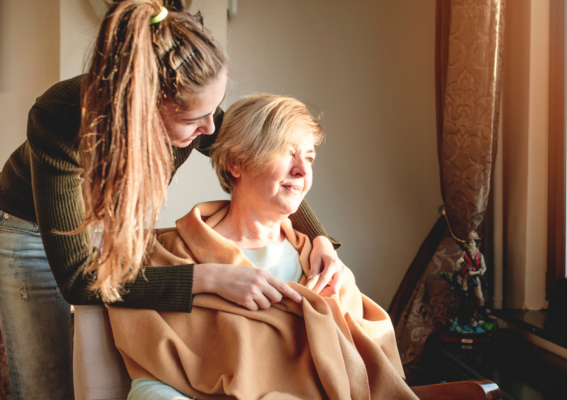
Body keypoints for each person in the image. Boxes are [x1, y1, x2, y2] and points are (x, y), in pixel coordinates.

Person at [0, 2, 343, 399]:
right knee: (48, 385)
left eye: (213, 110)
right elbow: (79, 280)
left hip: (107, 224)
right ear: (143, 107)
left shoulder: (195, 106)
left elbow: (255, 158)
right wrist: (212, 277)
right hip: (28, 230)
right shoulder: (59, 118)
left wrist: (318, 237)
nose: (210, 129)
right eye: (194, 120)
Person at [109, 94, 414, 400]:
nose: (302, 171)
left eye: (309, 157)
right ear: (236, 163)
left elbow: (369, 377)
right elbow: (151, 386)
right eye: (286, 152)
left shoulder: (323, 268)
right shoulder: (172, 254)